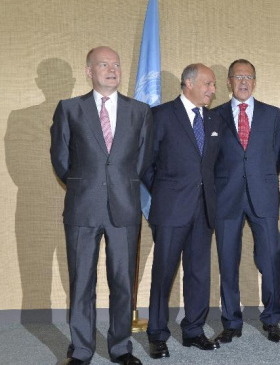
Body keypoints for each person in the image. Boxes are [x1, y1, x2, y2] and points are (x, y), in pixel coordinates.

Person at [50, 46, 153, 365]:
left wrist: (120, 185)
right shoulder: (69, 108)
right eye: (104, 64)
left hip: (125, 208)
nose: (112, 69)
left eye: (117, 64)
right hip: (83, 207)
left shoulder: (140, 111)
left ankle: (120, 347)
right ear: (89, 71)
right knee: (82, 282)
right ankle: (81, 350)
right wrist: (86, 184)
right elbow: (61, 159)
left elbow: (144, 158)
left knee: (123, 281)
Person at [142, 64, 222, 359]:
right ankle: (157, 334)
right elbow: (145, 164)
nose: (213, 90)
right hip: (171, 210)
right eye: (208, 84)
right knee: (164, 273)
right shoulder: (161, 115)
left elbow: (216, 166)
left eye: (213, 85)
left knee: (199, 273)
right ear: (189, 83)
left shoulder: (214, 119)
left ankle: (193, 331)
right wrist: (165, 193)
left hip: (204, 211)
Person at [213, 59, 280, 343]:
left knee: (270, 258)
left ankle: (272, 319)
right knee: (227, 261)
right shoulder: (214, 115)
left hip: (263, 196)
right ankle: (231, 321)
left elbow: (276, 156)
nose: (243, 82)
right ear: (228, 82)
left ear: (255, 81)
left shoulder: (272, 114)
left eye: (249, 77)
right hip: (226, 197)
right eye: (238, 77)